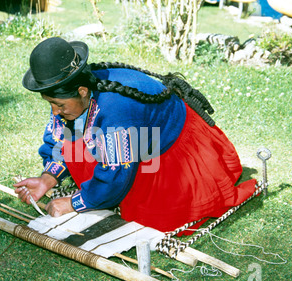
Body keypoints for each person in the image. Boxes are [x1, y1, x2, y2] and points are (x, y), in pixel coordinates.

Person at [13, 37, 257, 234]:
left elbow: (116, 173)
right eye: (51, 104)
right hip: (136, 139)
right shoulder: (75, 97)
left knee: (152, 217)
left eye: (58, 105)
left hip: (170, 149)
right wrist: (48, 178)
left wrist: (74, 203)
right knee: (76, 141)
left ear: (82, 91)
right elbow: (61, 137)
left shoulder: (117, 112)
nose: (55, 112)